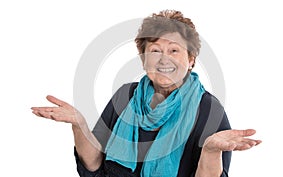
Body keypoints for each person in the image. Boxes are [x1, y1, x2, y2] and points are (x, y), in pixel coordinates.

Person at [31, 10, 261, 177]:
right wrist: (79, 124)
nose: (164, 59)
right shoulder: (125, 96)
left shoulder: (209, 109)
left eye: (174, 50)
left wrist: (211, 151)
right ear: (143, 60)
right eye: (155, 51)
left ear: (191, 60)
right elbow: (93, 165)